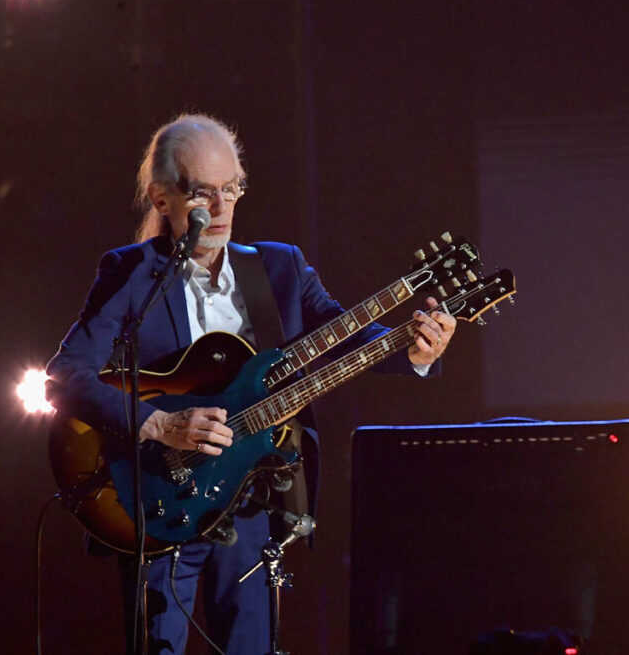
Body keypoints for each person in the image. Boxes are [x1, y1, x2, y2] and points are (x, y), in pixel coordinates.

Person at [45, 113, 455, 654]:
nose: (219, 208)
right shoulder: (130, 272)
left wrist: (416, 349)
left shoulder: (279, 267)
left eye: (231, 188)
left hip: (254, 498)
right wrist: (163, 424)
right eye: (201, 192)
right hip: (161, 497)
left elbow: (339, 335)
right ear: (161, 198)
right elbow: (65, 376)